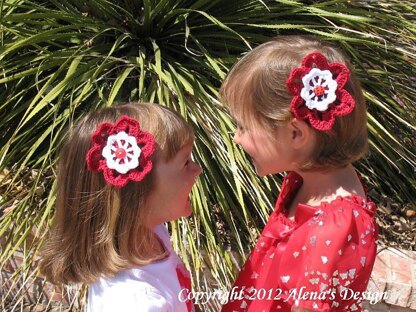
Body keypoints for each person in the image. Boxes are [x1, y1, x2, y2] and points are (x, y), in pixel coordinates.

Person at [220, 35, 378, 311]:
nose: (237, 138)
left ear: (295, 133)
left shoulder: (339, 225)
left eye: (244, 126)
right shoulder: (304, 181)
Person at [39, 103, 202, 312]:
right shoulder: (135, 303)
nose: (197, 169)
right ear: (138, 192)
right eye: (185, 162)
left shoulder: (149, 235)